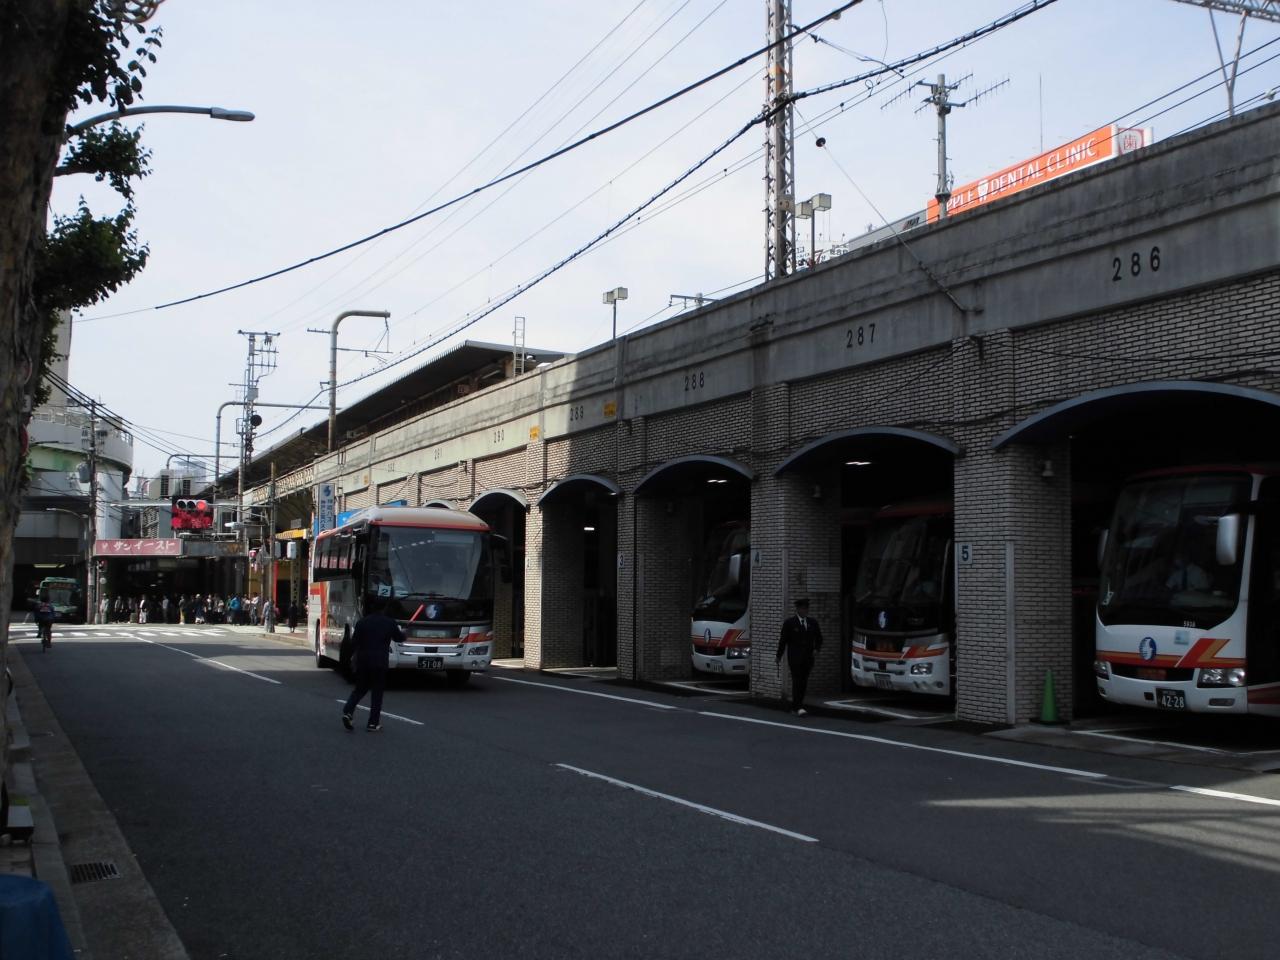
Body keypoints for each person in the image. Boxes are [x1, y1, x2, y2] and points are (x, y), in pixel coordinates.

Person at [342, 600, 405, 732]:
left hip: (363, 661)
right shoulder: (389, 622)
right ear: (384, 608)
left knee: (359, 689)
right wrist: (404, 633)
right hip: (380, 662)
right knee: (377, 693)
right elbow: (399, 638)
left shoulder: (362, 622)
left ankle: (348, 711)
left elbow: (354, 642)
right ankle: (373, 723)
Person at [776, 598, 823, 716]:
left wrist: (816, 649)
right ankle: (797, 706)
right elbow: (783, 641)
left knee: (803, 682)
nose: (805, 611)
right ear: (797, 609)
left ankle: (798, 705)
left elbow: (819, 638)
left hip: (808, 658)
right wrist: (779, 655)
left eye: (806, 608)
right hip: (795, 658)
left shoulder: (812, 622)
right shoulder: (790, 623)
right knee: (797, 681)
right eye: (802, 608)